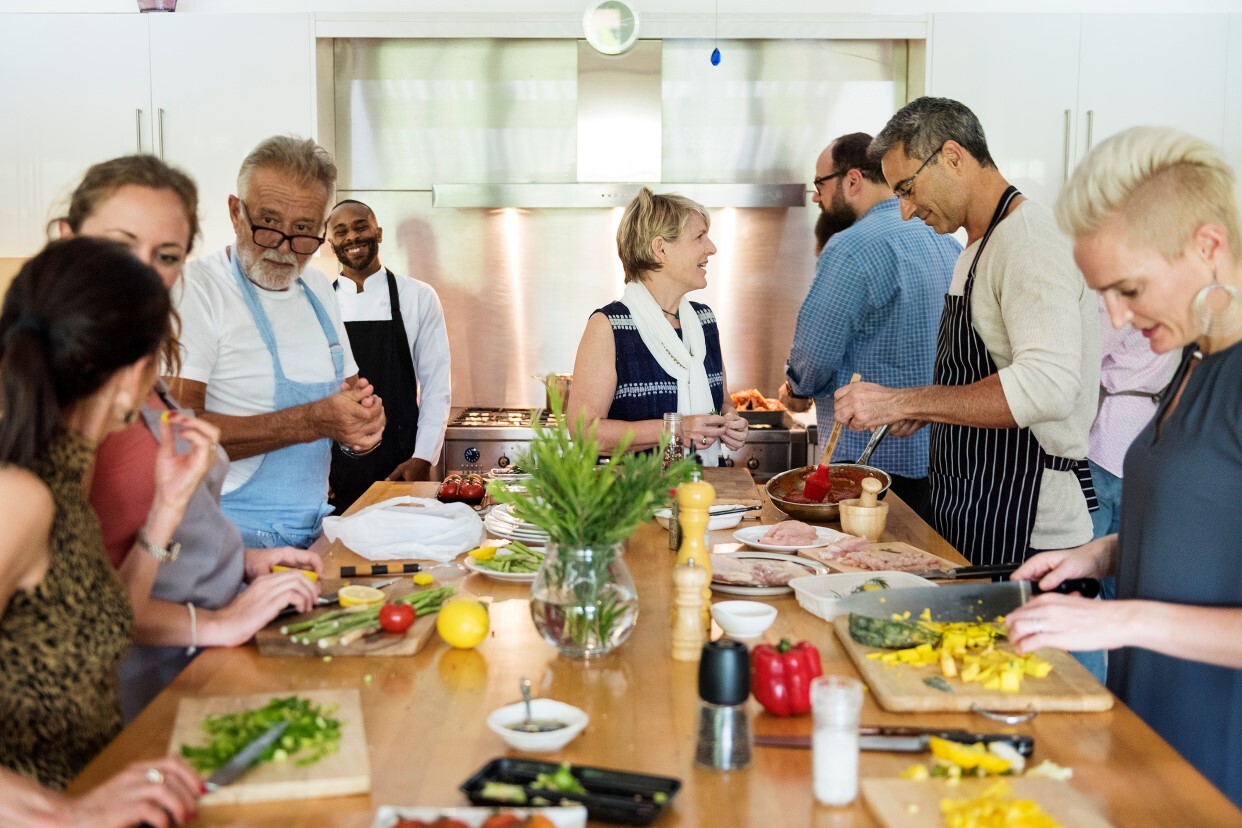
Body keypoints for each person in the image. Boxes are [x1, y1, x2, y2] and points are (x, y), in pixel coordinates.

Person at [1007, 126, 1242, 808]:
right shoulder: (1197, 359)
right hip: (1155, 743)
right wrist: (1106, 553)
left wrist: (1119, 621)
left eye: (1128, 289)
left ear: (1207, 246)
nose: (1114, 317)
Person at [62, 155, 321, 721]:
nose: (143, 275)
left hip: (196, 660)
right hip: (130, 691)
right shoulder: (59, 393)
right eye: (120, 244)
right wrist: (222, 621)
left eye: (167, 256)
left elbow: (144, 535)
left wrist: (245, 562)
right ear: (66, 240)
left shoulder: (136, 369)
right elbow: (77, 608)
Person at [833, 98, 1100, 565]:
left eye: (908, 189)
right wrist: (931, 404)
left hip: (1026, 527)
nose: (905, 211)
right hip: (975, 510)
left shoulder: (1028, 243)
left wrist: (905, 401)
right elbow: (990, 374)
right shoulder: (978, 247)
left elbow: (1048, 387)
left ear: (953, 157)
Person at [0, 238, 205, 824]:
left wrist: (167, 506)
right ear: (133, 374)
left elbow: (102, 622)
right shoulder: (21, 497)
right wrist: (66, 814)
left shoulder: (62, 475)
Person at [169, 136, 386, 549]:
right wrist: (314, 420)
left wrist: (362, 427)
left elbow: (350, 400)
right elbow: (178, 435)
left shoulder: (319, 289)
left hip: (311, 532)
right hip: (224, 542)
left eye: (303, 230)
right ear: (236, 212)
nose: (283, 247)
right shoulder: (196, 289)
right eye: (268, 224)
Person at [780, 132, 960, 522]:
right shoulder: (944, 240)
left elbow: (814, 355)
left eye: (820, 185)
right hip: (940, 457)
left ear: (853, 180)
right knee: (912, 566)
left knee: (863, 569)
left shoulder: (850, 248)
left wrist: (796, 388)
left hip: (869, 466)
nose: (817, 198)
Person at [568, 187, 748, 459]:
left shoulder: (704, 321)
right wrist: (675, 429)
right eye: (700, 236)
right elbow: (585, 433)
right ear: (660, 249)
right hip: (632, 496)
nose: (711, 248)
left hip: (707, 495)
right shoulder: (609, 327)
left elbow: (722, 402)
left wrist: (731, 421)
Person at [326, 199, 452, 511]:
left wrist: (422, 457)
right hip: (335, 467)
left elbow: (437, 384)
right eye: (341, 232)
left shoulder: (418, 296)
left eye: (360, 227)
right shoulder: (320, 304)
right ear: (331, 244)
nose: (352, 238)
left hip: (403, 463)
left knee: (404, 555)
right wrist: (313, 470)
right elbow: (311, 393)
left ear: (378, 232)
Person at [1088, 296, 1177, 539]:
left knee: (1087, 549)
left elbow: (1086, 354)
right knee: (1116, 554)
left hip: (1105, 438)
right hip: (1141, 436)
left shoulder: (1124, 299)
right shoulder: (1173, 298)